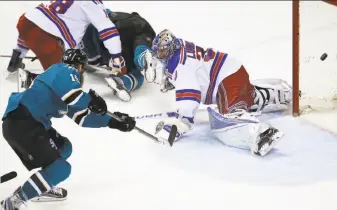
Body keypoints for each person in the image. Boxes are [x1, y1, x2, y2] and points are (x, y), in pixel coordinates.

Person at [1, 49, 136, 210]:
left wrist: (113, 121)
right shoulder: (64, 70)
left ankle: (40, 187)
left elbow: (83, 117)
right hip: (24, 122)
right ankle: (13, 203)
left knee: (64, 147)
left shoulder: (62, 87)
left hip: (22, 123)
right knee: (62, 169)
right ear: (79, 67)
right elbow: (76, 96)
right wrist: (91, 101)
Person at [149, 29, 292, 156]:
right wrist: (172, 80)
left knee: (227, 120)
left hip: (226, 81)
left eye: (162, 52)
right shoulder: (181, 47)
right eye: (158, 52)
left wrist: (180, 122)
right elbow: (196, 71)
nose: (160, 55)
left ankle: (261, 134)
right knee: (247, 98)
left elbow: (190, 97)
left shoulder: (179, 65)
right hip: (234, 72)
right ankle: (283, 94)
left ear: (171, 48)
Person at [6, 0, 125, 89]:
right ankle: (30, 79)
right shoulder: (92, 3)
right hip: (48, 39)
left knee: (32, 27)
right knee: (68, 85)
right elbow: (108, 31)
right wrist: (116, 58)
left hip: (26, 21)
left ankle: (17, 57)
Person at [80, 11, 170, 102]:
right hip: (135, 25)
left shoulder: (82, 36)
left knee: (134, 65)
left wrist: (91, 63)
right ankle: (139, 64)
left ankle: (124, 81)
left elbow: (92, 61)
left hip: (116, 33)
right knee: (140, 54)